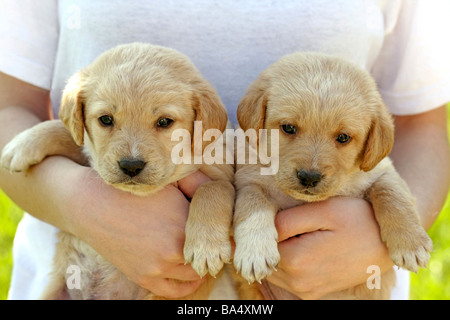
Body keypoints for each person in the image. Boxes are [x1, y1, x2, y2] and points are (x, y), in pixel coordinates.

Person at [1, 0, 449, 300]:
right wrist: (80, 203)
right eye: (104, 119)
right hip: (76, 277)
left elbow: (420, 124)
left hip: (336, 281)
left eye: (163, 122)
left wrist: (379, 240)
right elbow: (11, 108)